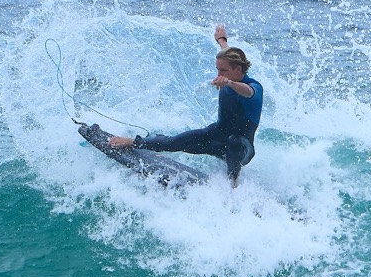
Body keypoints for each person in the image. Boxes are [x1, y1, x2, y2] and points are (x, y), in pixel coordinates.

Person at [112, 24, 262, 186]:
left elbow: (248, 92)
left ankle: (233, 184)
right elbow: (228, 54)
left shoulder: (254, 88)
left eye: (223, 71)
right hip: (217, 139)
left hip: (242, 149)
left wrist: (230, 83)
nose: (219, 75)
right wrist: (222, 40)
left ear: (237, 70)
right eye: (217, 70)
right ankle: (133, 142)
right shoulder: (231, 68)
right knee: (173, 142)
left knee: (234, 141)